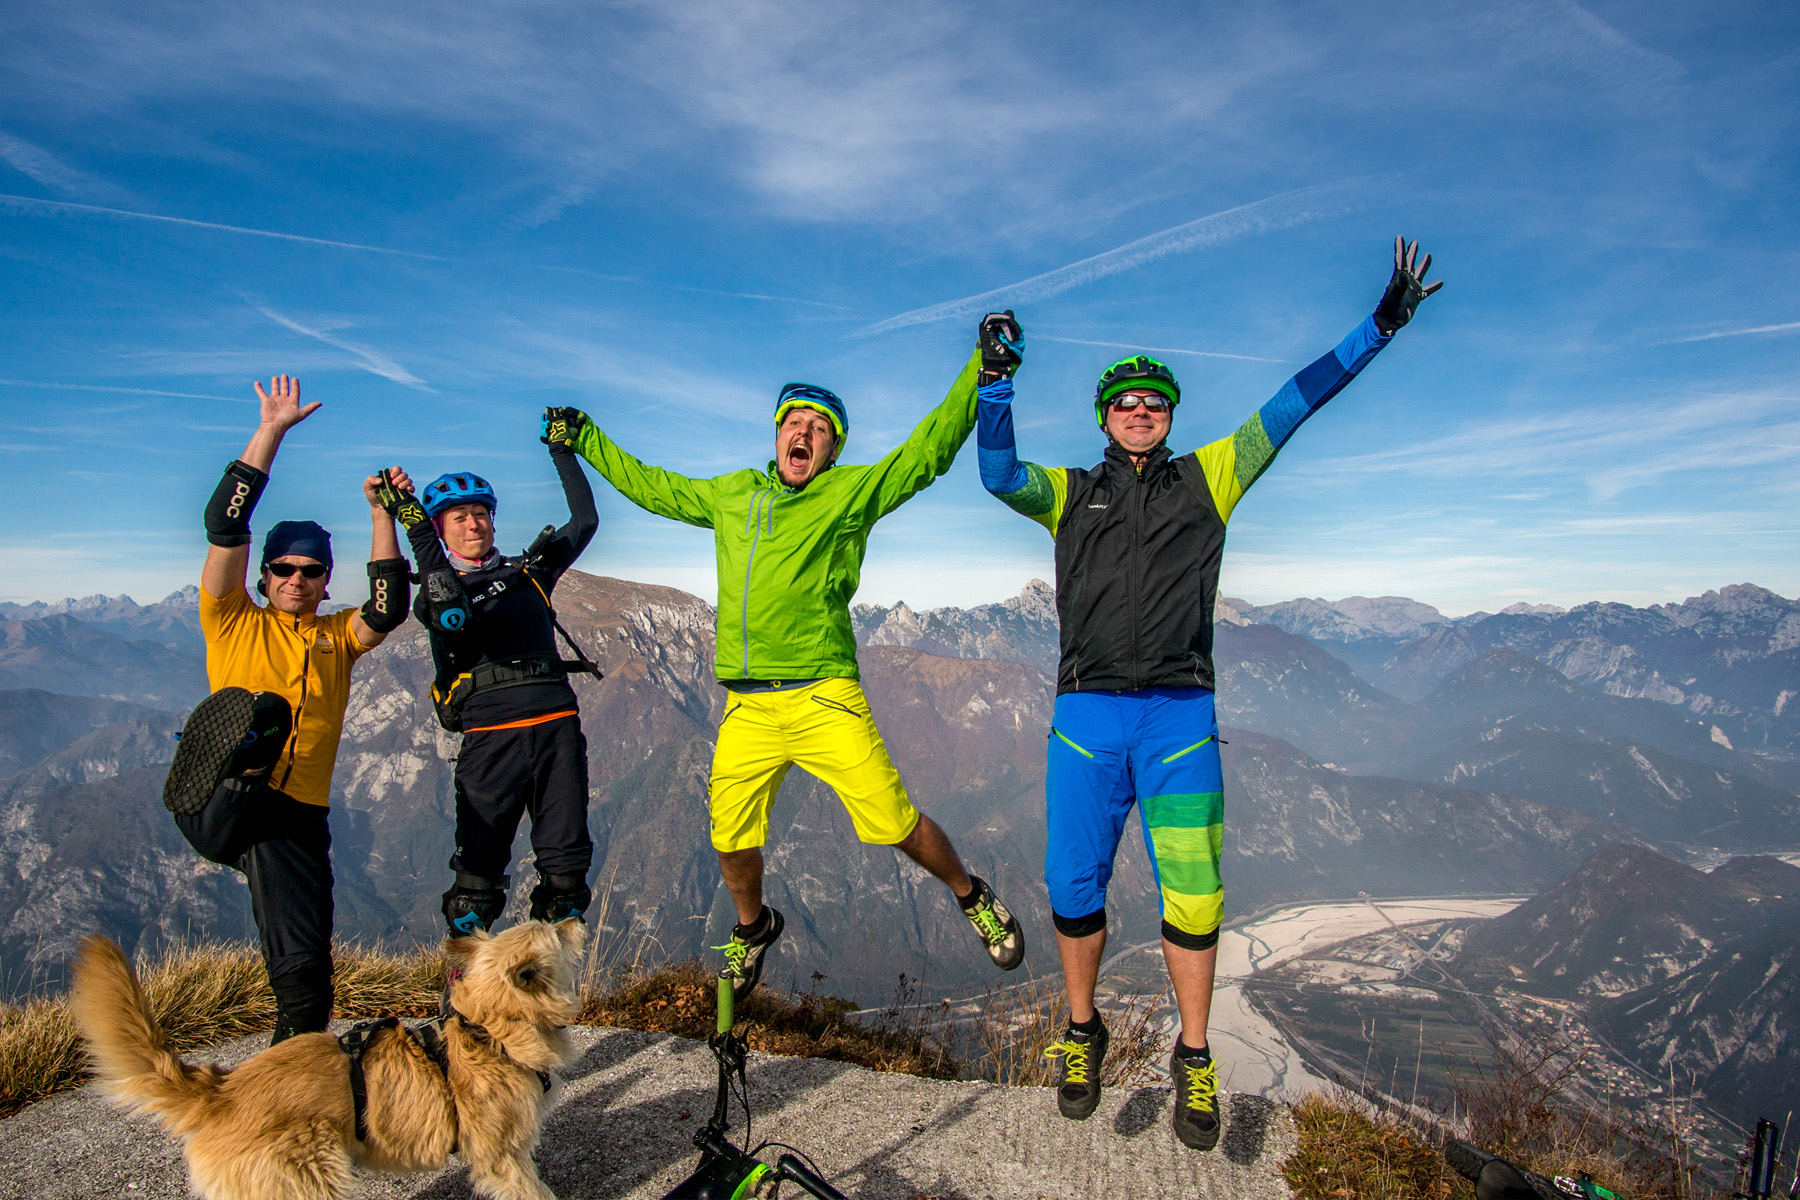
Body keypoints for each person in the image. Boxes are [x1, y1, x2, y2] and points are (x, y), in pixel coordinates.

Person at [977, 237, 1443, 1148]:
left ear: (1170, 415)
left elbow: (1293, 403)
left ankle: (1194, 1055)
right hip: (1087, 716)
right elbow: (998, 475)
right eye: (1125, 403)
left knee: (1193, 896)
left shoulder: (1210, 478)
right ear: (1105, 417)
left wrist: (1379, 327)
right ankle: (1082, 1032)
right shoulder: (1070, 492)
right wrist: (995, 381)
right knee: (1071, 884)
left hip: (1180, 718)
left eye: (1154, 402)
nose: (1140, 412)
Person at [557, 317, 1031, 1001]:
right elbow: (654, 488)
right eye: (794, 422)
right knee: (729, 836)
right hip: (748, 704)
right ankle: (754, 928)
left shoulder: (845, 495)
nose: (803, 433)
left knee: (894, 823)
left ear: (832, 450)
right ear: (777, 434)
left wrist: (979, 372)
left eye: (819, 429)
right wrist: (587, 439)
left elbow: (925, 452)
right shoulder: (731, 496)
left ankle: (970, 893)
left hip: (823, 695)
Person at [163, 375, 411, 1043]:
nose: (296, 579)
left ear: (327, 581)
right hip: (226, 797)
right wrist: (269, 433)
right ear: (264, 575)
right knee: (266, 714)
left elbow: (389, 608)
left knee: (306, 979)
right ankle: (224, 766)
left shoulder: (337, 637)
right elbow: (226, 524)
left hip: (295, 816)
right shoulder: (230, 617)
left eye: (310, 570)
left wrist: (381, 514)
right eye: (283, 568)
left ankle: (293, 1070)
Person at [373, 409, 601, 933]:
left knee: (566, 888)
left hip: (557, 732)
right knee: (474, 893)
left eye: (480, 513)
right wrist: (410, 521)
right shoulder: (436, 592)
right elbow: (448, 608)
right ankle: (464, 982)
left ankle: (543, 980)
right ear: (439, 530)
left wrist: (561, 450)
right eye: (457, 517)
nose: (473, 523)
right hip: (491, 739)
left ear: (494, 521)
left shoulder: (530, 573)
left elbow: (585, 521)